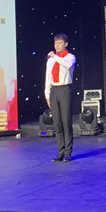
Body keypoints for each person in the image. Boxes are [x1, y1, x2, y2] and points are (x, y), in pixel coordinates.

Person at [45, 33, 77, 162]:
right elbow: (48, 77)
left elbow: (67, 65)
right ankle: (61, 151)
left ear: (66, 44)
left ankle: (68, 151)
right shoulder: (51, 60)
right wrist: (47, 94)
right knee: (57, 123)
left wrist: (55, 56)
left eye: (59, 43)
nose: (57, 45)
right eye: (55, 43)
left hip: (65, 89)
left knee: (66, 122)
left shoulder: (70, 57)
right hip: (54, 90)